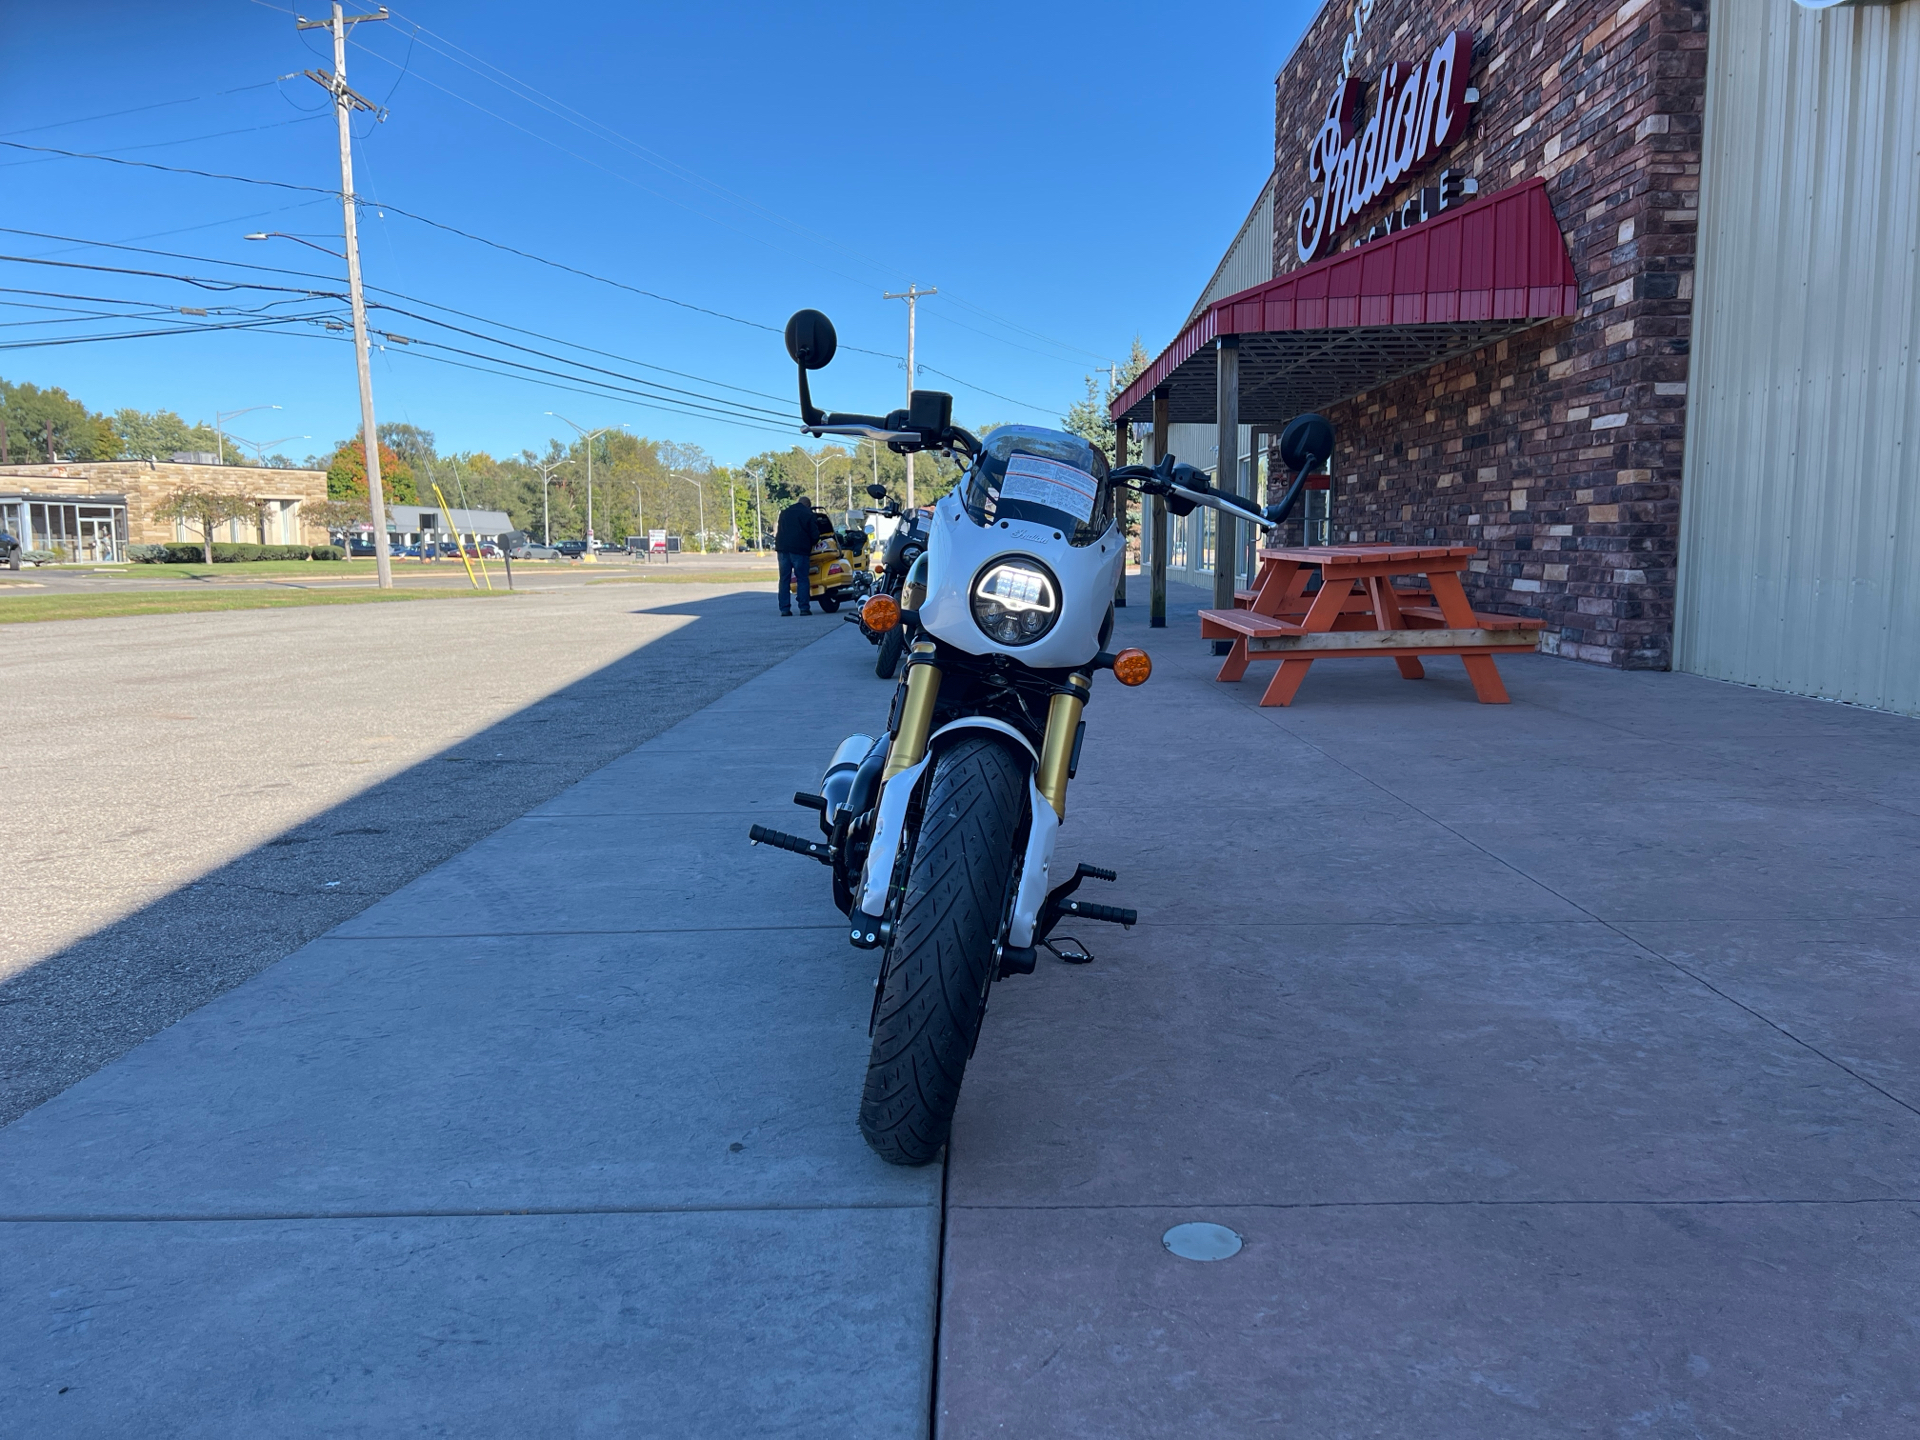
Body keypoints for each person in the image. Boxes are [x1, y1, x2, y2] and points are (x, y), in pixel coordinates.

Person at [774, 495, 817, 616]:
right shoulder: (808, 514)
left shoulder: (785, 512)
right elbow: (814, 534)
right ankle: (804, 608)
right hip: (799, 550)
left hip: (782, 549)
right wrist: (812, 544)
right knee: (802, 578)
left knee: (784, 579)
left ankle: (784, 609)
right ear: (808, 505)